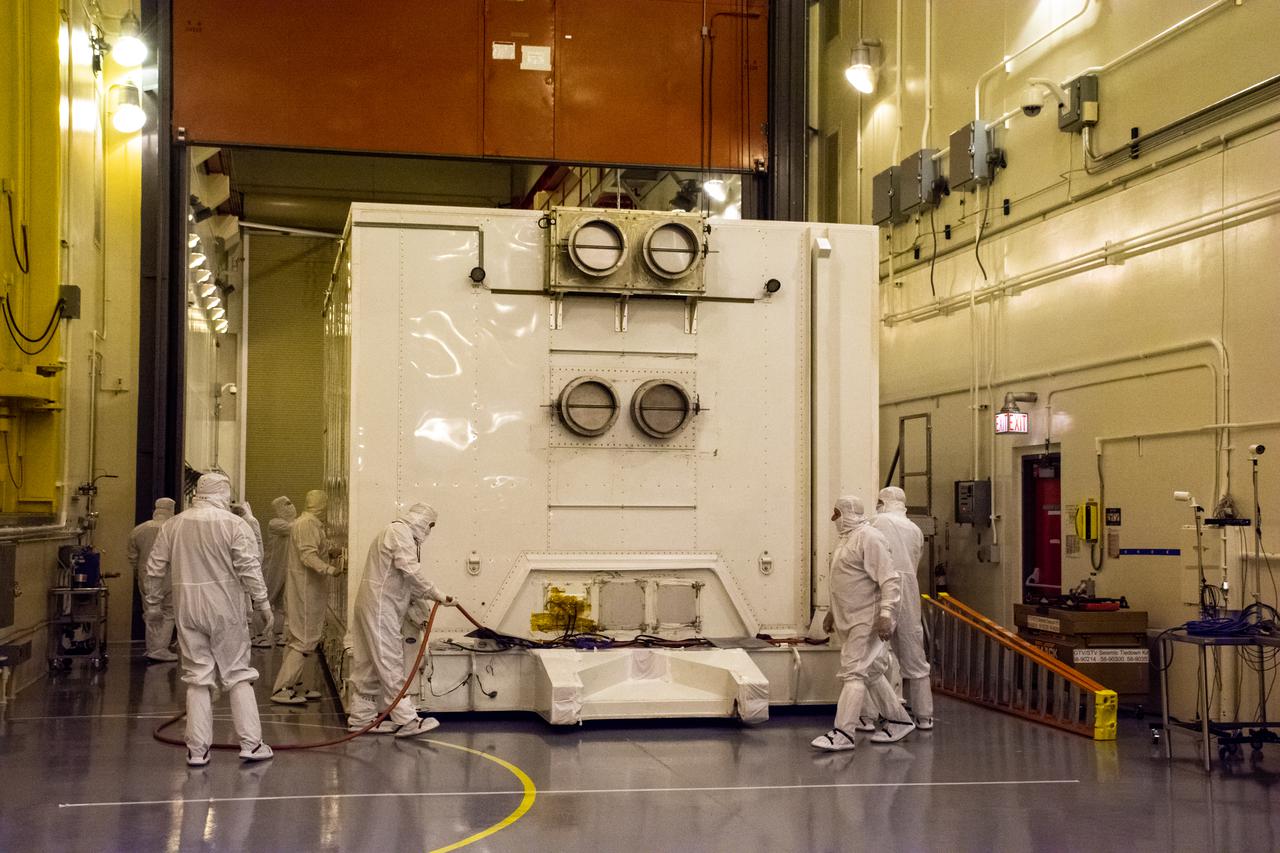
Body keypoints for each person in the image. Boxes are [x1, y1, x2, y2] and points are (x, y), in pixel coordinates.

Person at [145, 472, 274, 766]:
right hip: (225, 608)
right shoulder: (234, 524)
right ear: (224, 492)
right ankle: (251, 744)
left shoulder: (173, 525)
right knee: (237, 672)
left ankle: (197, 750)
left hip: (187, 608)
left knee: (197, 676)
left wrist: (152, 605)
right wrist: (263, 602)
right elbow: (249, 567)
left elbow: (154, 568)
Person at [811, 495, 916, 752]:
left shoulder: (869, 537)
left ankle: (844, 732)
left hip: (866, 618)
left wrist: (886, 614)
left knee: (853, 672)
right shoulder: (847, 540)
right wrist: (832, 613)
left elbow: (889, 578)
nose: (833, 518)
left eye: (836, 513)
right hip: (850, 617)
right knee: (871, 672)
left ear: (848, 512)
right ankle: (899, 720)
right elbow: (843, 582)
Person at [347, 502, 456, 737]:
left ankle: (361, 718)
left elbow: (405, 580)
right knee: (390, 661)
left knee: (368, 664)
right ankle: (407, 719)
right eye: (430, 525)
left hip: (373, 605)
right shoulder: (400, 532)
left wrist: (432, 599)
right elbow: (411, 571)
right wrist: (436, 593)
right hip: (380, 608)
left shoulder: (395, 532)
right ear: (422, 520)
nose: (429, 531)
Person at [271, 489, 343, 704]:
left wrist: (330, 552)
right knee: (303, 639)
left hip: (308, 589)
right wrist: (330, 569)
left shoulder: (309, 524)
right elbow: (307, 556)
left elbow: (314, 549)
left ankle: (298, 685)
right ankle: (282, 688)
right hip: (305, 590)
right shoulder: (307, 524)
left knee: (301, 639)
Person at [871, 486, 934, 730]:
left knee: (871, 654)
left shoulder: (877, 522)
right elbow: (915, 560)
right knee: (914, 653)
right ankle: (924, 716)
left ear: (883, 501)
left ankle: (870, 714)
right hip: (909, 590)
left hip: (882, 588)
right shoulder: (915, 529)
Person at [129, 497, 177, 662]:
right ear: (171, 510)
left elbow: (132, 556)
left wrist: (139, 571)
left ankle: (152, 647)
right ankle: (160, 648)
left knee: (151, 610)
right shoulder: (173, 528)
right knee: (169, 611)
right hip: (169, 573)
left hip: (146, 574)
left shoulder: (139, 530)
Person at [233, 501, 270, 648]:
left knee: (250, 602)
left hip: (250, 562)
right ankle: (252, 635)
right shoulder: (246, 520)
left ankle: (254, 635)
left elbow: (253, 545)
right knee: (249, 601)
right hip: (250, 563)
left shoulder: (247, 522)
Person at [263, 496, 296, 645]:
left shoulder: (294, 524)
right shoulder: (275, 523)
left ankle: (279, 634)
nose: (291, 507)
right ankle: (260, 635)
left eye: (291, 504)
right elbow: (293, 528)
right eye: (286, 505)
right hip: (273, 568)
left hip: (286, 569)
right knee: (266, 601)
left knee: (282, 605)